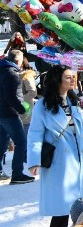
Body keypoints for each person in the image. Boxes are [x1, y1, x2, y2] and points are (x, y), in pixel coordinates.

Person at [26, 65, 83, 227]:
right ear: (57, 81)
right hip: (59, 161)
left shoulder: (73, 101)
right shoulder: (43, 105)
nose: (73, 79)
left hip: (76, 159)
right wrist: (34, 160)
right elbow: (35, 134)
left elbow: (81, 133)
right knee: (62, 208)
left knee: (73, 206)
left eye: (73, 76)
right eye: (68, 77)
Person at [0, 50, 33, 184]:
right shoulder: (12, 74)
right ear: (18, 61)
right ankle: (17, 174)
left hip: (1, 113)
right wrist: (21, 109)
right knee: (21, 142)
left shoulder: (2, 71)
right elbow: (11, 97)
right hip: (9, 113)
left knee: (2, 142)